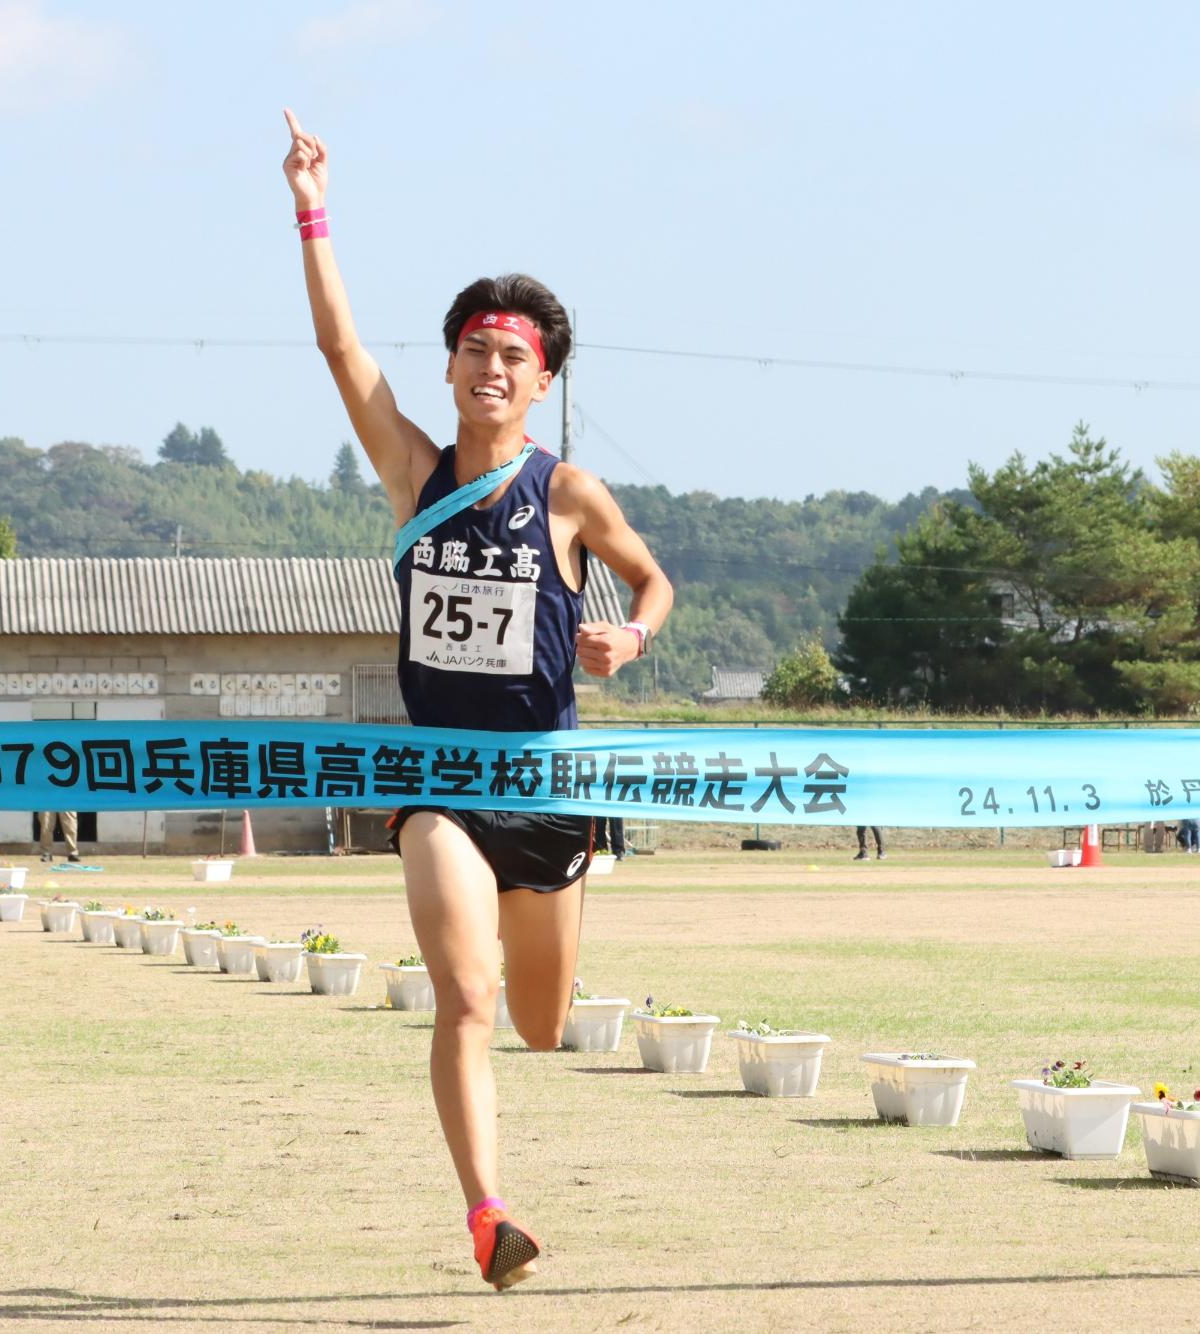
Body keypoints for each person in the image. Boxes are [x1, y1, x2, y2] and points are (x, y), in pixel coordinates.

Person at [283, 109, 673, 1290]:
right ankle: (487, 1213)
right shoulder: (414, 472)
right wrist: (311, 211)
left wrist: (632, 633)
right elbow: (342, 352)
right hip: (437, 779)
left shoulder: (569, 495)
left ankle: (520, 1064)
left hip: (545, 787)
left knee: (542, 1022)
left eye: (512, 358)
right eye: (471, 352)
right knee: (464, 993)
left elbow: (654, 577)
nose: (489, 371)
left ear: (540, 380)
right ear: (450, 365)